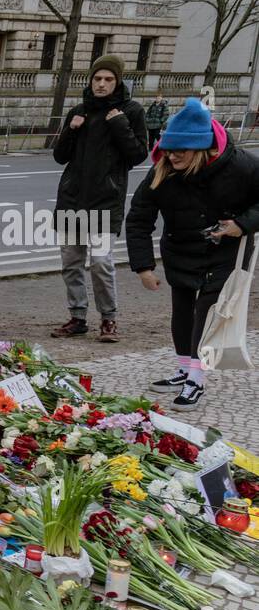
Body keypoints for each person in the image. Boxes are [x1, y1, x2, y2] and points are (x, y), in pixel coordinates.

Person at [125, 97, 259, 411]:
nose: (172, 157)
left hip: (226, 250)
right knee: (182, 309)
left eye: (180, 151)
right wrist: (143, 267)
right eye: (168, 150)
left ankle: (196, 379)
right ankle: (184, 367)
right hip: (180, 248)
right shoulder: (163, 171)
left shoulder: (241, 165)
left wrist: (241, 224)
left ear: (201, 147)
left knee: (207, 312)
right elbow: (139, 217)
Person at [50, 54, 149, 342]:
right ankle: (77, 317)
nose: (102, 84)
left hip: (107, 201)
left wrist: (119, 125)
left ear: (117, 82)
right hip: (72, 199)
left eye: (108, 79)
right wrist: (72, 129)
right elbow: (59, 156)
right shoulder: (79, 110)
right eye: (97, 78)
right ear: (90, 80)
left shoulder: (131, 111)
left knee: (102, 262)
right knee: (71, 262)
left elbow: (138, 155)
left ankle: (108, 319)